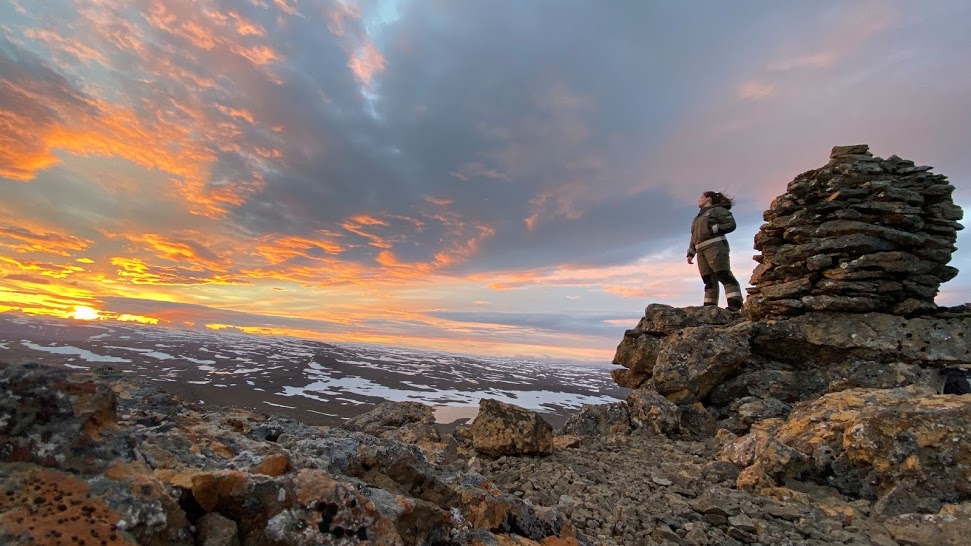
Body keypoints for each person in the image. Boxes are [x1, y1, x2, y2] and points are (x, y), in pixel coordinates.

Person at [686, 191, 744, 311]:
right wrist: (691, 252)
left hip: (715, 246)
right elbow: (693, 237)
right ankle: (709, 309)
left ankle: (735, 305)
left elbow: (731, 224)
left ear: (708, 199)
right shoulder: (697, 218)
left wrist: (715, 228)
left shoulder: (718, 210)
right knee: (708, 281)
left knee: (723, 275)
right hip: (700, 251)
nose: (698, 199)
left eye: (701, 197)